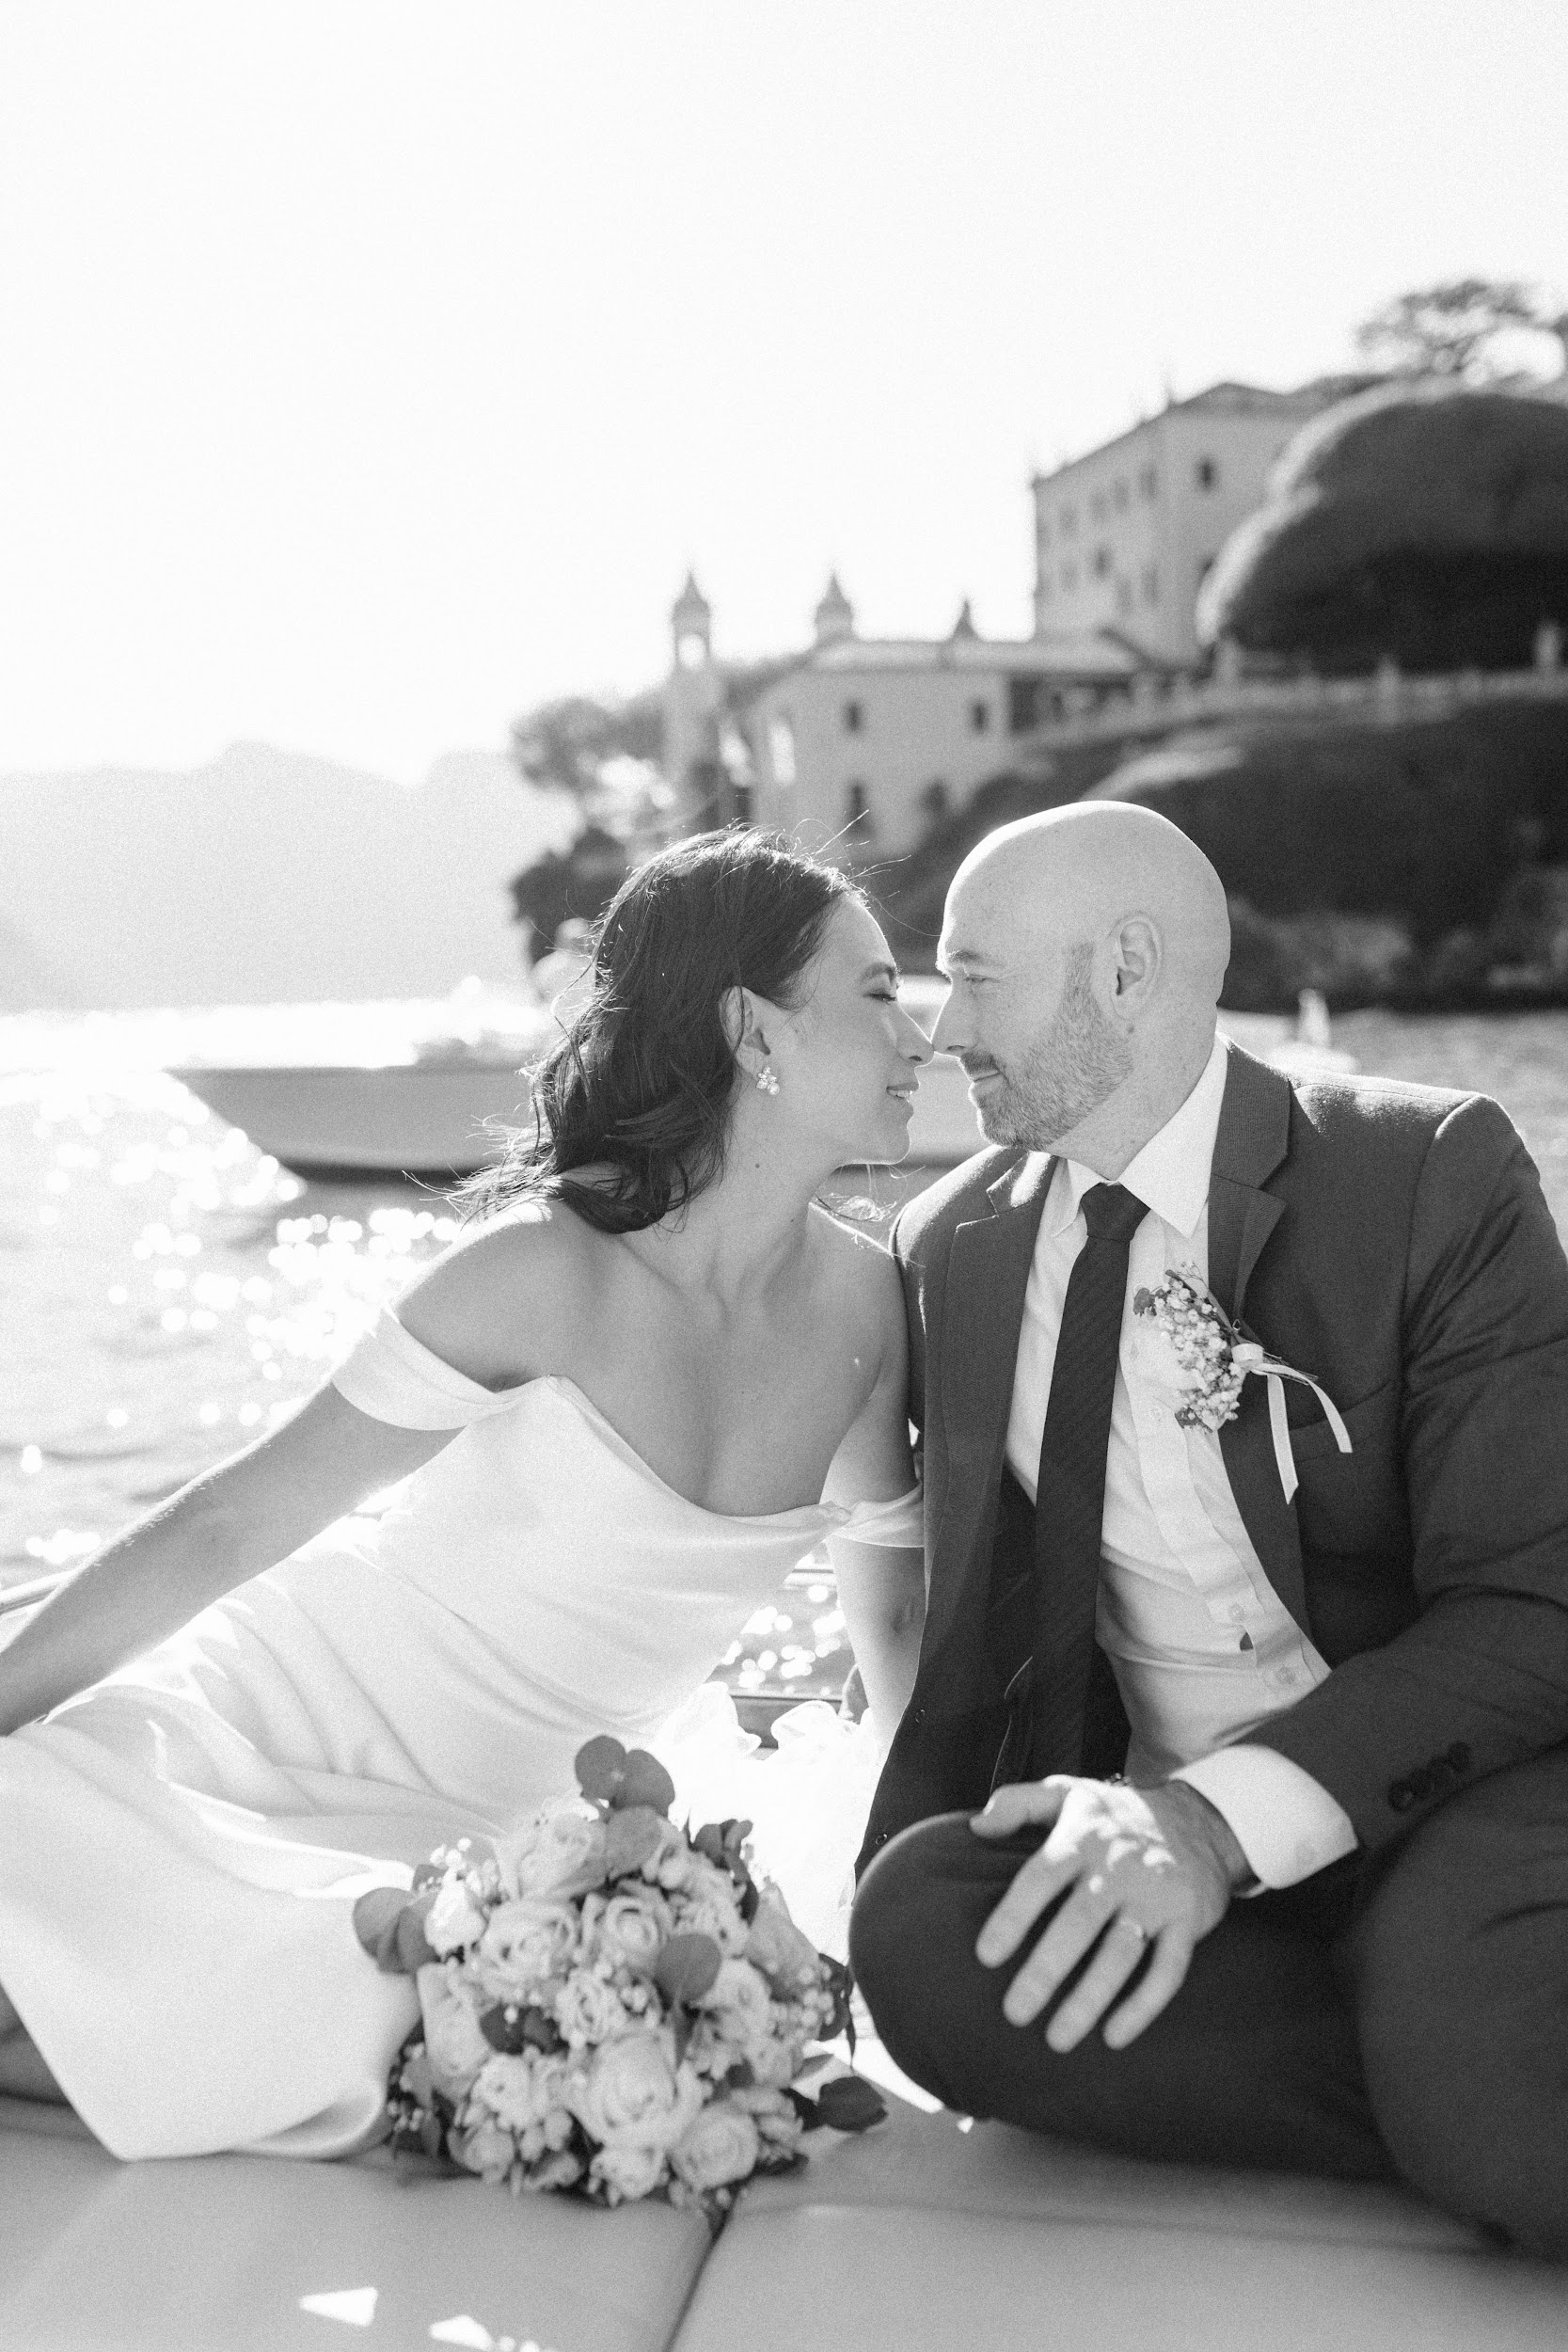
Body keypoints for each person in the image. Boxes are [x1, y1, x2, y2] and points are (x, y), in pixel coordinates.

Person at [0, 830, 929, 2159]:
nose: (920, 1036)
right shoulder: (539, 1271)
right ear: (752, 1031)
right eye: (881, 993)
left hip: (503, 1830)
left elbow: (889, 1628)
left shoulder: (865, 1306)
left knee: (410, 2016)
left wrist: (912, 1870)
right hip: (272, 1717)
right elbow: (236, 1521)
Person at [849, 802, 1568, 2258]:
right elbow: (965, 1622)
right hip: (1159, 1829)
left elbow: (1531, 1609)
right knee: (922, 1928)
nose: (943, 1030)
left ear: (1126, 970)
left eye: (976, 978)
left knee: (1453, 2000)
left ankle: (1458, 2063)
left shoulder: (1432, 1175)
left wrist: (1208, 1829)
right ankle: (1458, 2082)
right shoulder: (949, 1246)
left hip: (1456, 1796)